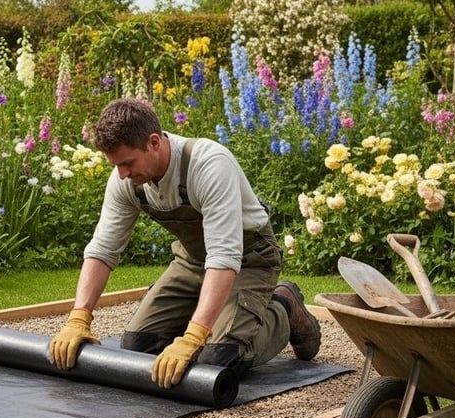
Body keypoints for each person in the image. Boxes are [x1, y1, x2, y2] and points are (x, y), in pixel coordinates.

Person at [48, 98, 320, 389]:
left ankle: (284, 307)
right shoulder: (125, 180)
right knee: (137, 346)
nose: (122, 174)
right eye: (116, 166)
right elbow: (103, 249)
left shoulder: (208, 164)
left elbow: (224, 256)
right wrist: (79, 317)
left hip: (248, 260)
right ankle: (212, 316)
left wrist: (194, 336)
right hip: (192, 261)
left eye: (127, 163)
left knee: (218, 358)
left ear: (154, 142)